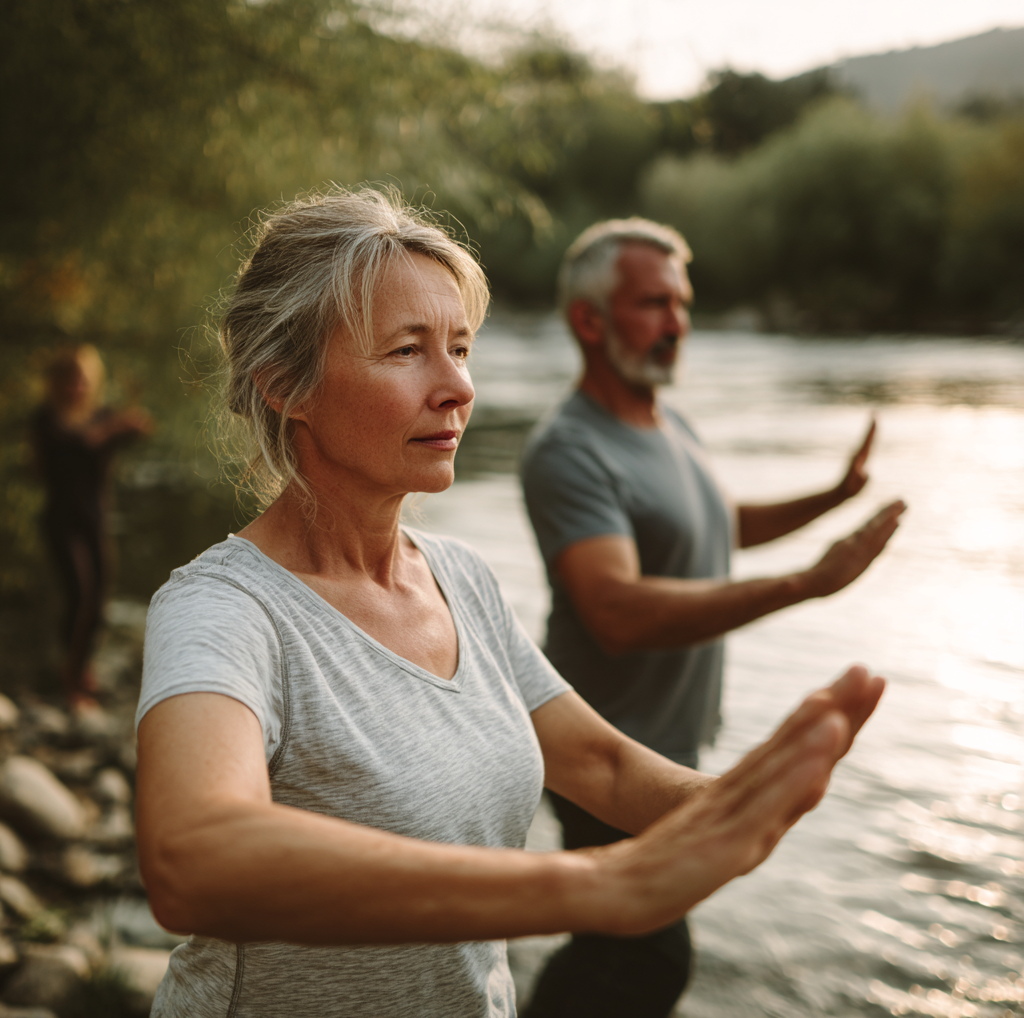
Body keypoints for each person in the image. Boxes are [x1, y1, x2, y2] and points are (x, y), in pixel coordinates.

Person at [134, 188, 886, 1018]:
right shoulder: (223, 611)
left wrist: (742, 798)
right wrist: (600, 883)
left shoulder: (462, 578)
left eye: (460, 348)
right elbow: (191, 862)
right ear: (286, 386)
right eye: (406, 352)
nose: (457, 386)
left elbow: (598, 764)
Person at [519, 218, 906, 1018]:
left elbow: (716, 522)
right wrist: (805, 583)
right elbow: (616, 610)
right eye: (653, 303)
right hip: (606, 752)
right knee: (644, 957)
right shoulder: (569, 450)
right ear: (590, 321)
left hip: (671, 745)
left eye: (682, 303)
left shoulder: (670, 425)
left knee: (630, 954)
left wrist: (831, 497)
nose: (677, 322)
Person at [31, 344, 152, 708]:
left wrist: (130, 425)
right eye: (70, 381)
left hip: (96, 522)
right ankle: (71, 682)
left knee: (98, 604)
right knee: (79, 597)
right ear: (57, 383)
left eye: (83, 381)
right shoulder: (46, 419)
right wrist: (114, 427)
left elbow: (138, 429)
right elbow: (80, 445)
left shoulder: (101, 415)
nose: (77, 389)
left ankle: (80, 669)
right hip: (61, 523)